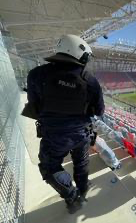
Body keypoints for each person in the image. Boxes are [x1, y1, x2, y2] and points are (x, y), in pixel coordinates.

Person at [26, 34, 105, 214]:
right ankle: (83, 190)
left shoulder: (36, 75)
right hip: (82, 134)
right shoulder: (90, 80)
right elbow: (99, 111)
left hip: (53, 136)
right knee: (82, 162)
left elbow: (34, 107)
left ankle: (71, 196)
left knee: (49, 167)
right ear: (80, 54)